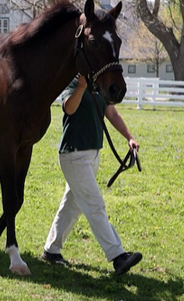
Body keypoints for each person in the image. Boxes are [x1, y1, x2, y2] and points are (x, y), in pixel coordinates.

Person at [42, 75, 142, 275]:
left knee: (73, 204)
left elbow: (111, 112)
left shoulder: (99, 85)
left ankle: (51, 250)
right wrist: (80, 87)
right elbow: (69, 108)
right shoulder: (73, 81)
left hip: (92, 154)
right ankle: (117, 256)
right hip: (73, 153)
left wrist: (129, 137)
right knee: (95, 204)